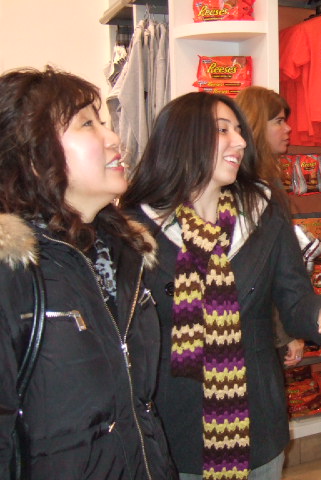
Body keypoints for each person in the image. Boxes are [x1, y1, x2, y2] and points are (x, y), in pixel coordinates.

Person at [119, 92, 321, 480]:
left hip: (256, 416)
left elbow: (294, 297)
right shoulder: (134, 228)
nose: (241, 141)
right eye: (222, 130)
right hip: (173, 423)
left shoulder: (264, 211)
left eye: (239, 130)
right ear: (182, 138)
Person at [0, 66, 176, 479]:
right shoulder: (14, 269)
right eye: (87, 124)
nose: (113, 138)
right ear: (32, 154)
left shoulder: (125, 254)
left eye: (106, 123)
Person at [235, 85, 305, 368]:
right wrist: (286, 332)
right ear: (255, 124)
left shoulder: (263, 181)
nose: (288, 129)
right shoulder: (254, 190)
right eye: (278, 121)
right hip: (255, 333)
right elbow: (265, 271)